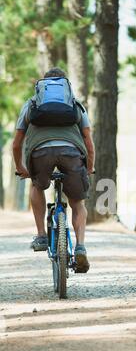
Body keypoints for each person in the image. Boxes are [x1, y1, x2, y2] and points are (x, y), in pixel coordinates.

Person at [12, 67, 95, 273]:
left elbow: (16, 144)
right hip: (71, 152)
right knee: (77, 202)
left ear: (42, 87)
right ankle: (81, 246)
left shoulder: (31, 104)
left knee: (37, 186)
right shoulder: (75, 104)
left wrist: (21, 168)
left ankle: (41, 235)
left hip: (40, 154)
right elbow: (88, 141)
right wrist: (90, 167)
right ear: (65, 86)